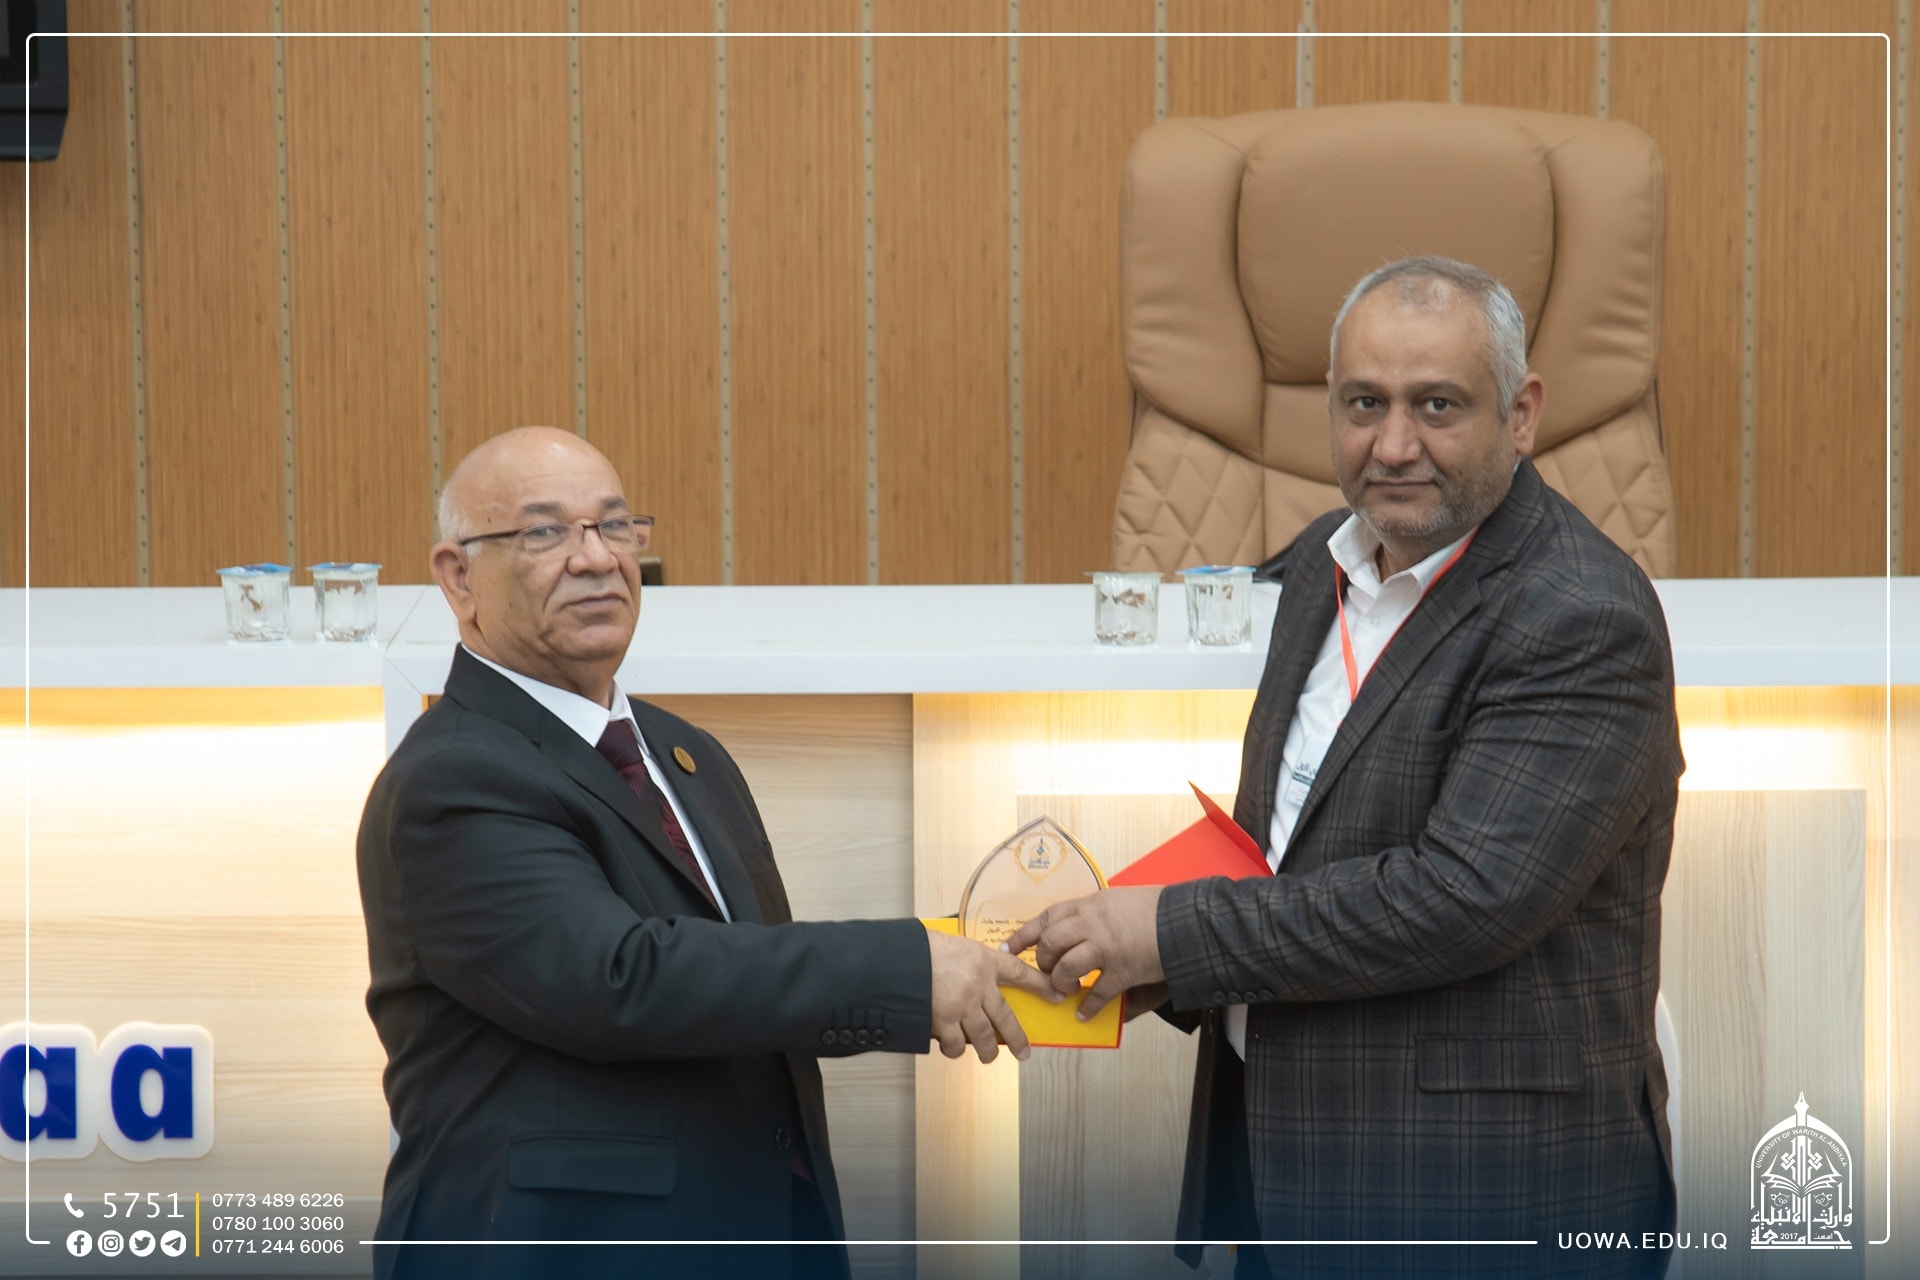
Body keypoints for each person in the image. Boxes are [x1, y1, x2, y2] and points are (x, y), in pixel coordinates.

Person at [1010, 258, 1681, 1278]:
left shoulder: (1580, 614)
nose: (1394, 445)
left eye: (1437, 405)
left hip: (1483, 1197)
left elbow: (1460, 897)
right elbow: (1300, 833)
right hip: (1287, 1171)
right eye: (1364, 403)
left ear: (1522, 414)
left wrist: (1171, 933)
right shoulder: (1329, 555)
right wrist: (1158, 964)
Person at [357, 426, 1055, 1280]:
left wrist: (992, 955)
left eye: (615, 526)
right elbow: (621, 981)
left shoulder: (685, 753)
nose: (596, 558)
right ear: (458, 577)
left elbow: (744, 973)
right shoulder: (454, 776)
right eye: (544, 532)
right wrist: (908, 969)